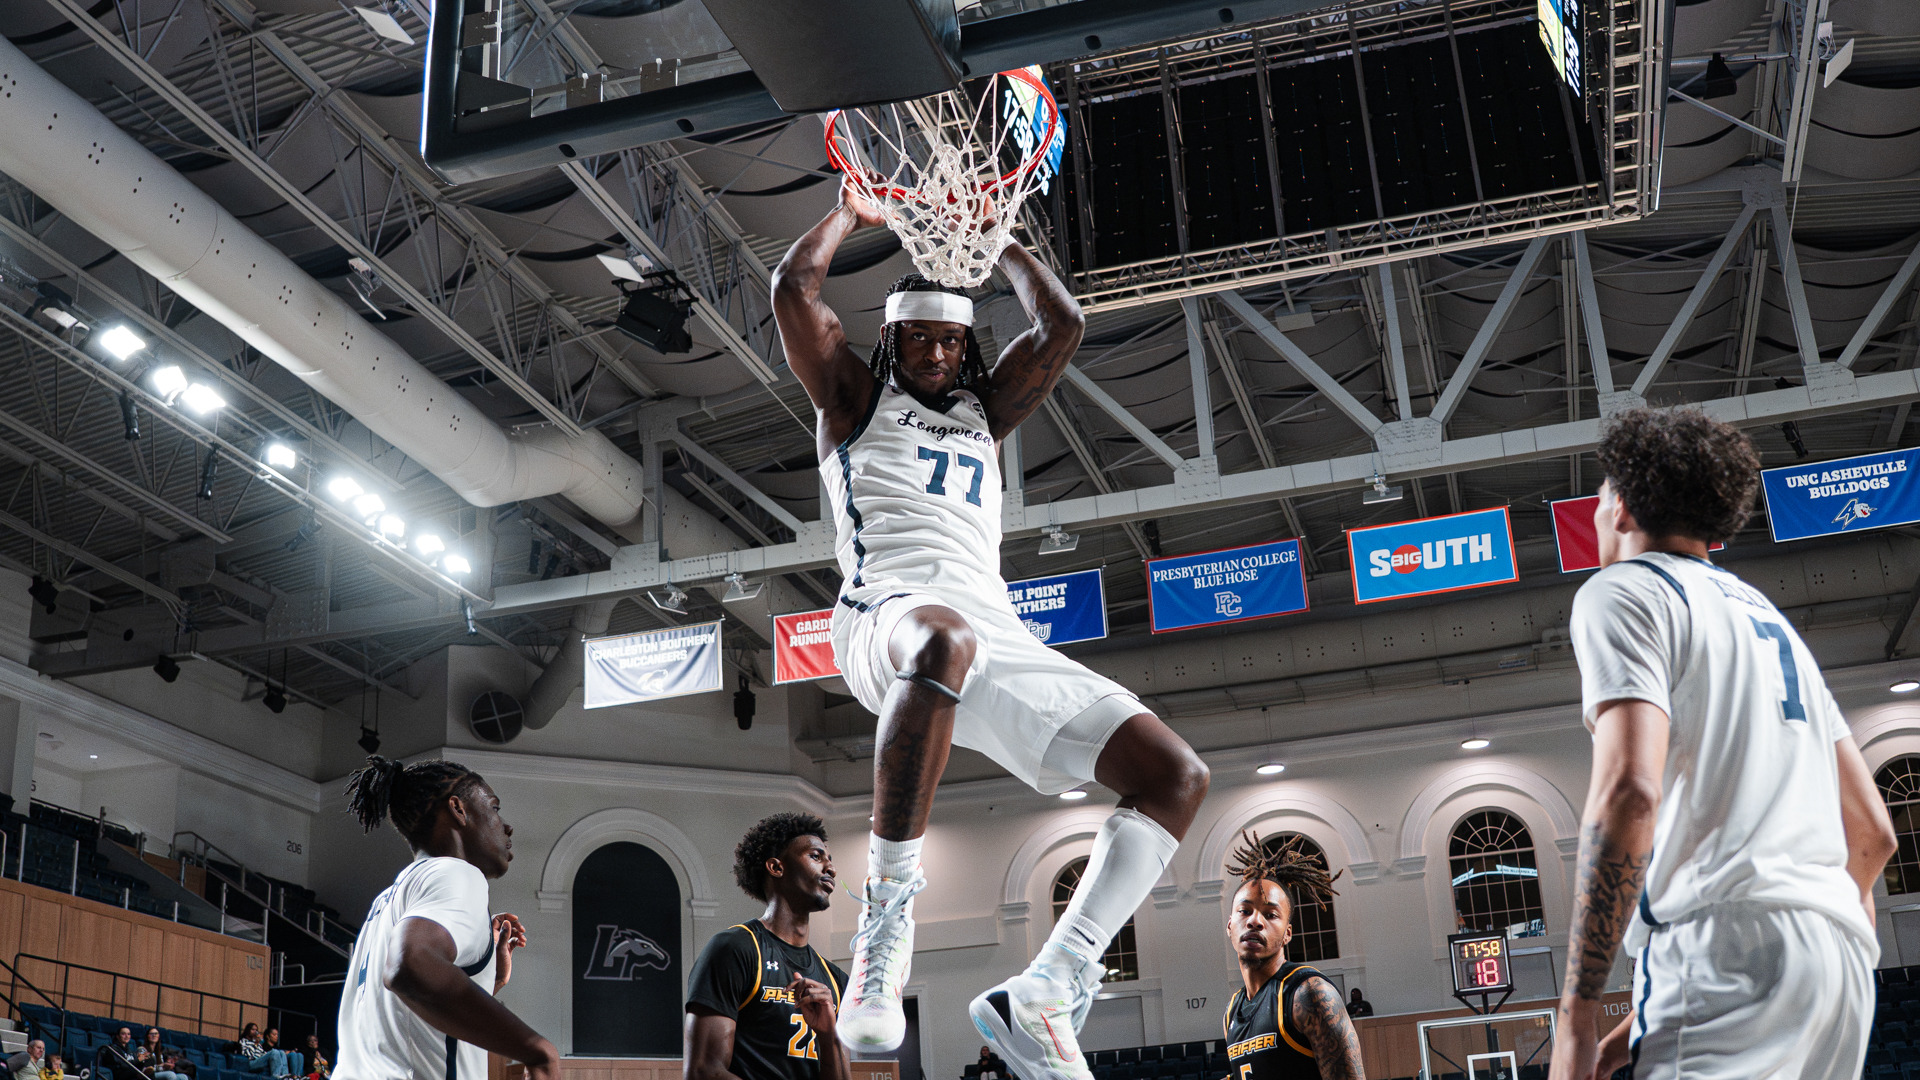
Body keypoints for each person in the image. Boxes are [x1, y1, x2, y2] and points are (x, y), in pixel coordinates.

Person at [773, 175, 1210, 1079]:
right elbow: (794, 292)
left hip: (992, 632)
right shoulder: (851, 401)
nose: (935, 352)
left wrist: (998, 239)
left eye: (949, 339)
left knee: (1174, 775)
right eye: (919, 338)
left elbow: (1064, 328)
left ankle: (1049, 987)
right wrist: (850, 216)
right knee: (943, 641)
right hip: (884, 617)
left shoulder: (985, 414)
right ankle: (887, 922)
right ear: (889, 341)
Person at [1547, 408, 1898, 1080]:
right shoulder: (1767, 618)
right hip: (1839, 961)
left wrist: (1579, 1015)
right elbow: (1874, 834)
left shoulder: (1622, 591)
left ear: (1620, 507)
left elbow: (1629, 791)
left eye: (1596, 498)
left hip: (1721, 949)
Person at [334, 757, 554, 1080]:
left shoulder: (386, 901)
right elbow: (409, 967)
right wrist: (535, 1049)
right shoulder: (457, 873)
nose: (506, 825)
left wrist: (486, 975)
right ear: (458, 809)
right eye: (494, 808)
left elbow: (408, 1018)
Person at [685, 813, 849, 1080]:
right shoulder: (735, 949)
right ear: (776, 867)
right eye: (816, 857)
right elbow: (704, 1071)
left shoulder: (834, 979)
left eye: (830, 861)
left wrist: (828, 1036)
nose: (830, 869)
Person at [1220, 832, 1364, 1080]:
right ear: (1230, 926)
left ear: (1287, 934)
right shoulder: (1232, 1011)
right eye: (1245, 911)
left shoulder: (1309, 993)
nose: (1255, 921)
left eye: (1270, 914)